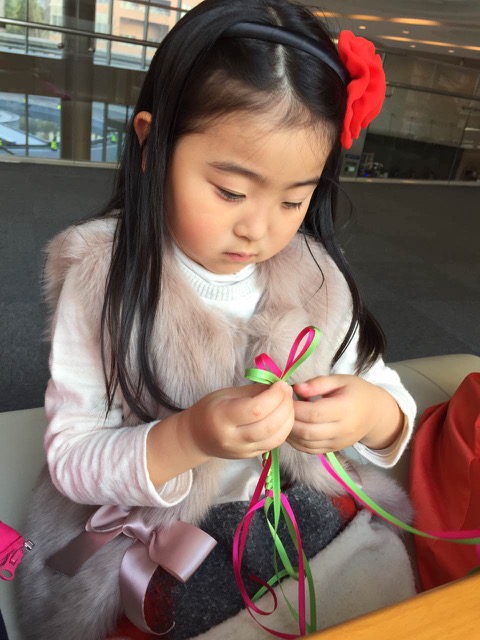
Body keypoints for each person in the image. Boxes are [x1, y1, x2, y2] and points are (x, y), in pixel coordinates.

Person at [16, 1, 417, 638]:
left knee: (383, 589)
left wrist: (370, 411)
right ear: (153, 143)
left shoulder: (314, 277)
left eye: (294, 199)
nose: (260, 229)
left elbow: (386, 392)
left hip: (290, 503)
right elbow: (71, 455)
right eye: (230, 191)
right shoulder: (107, 282)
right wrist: (189, 438)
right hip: (158, 526)